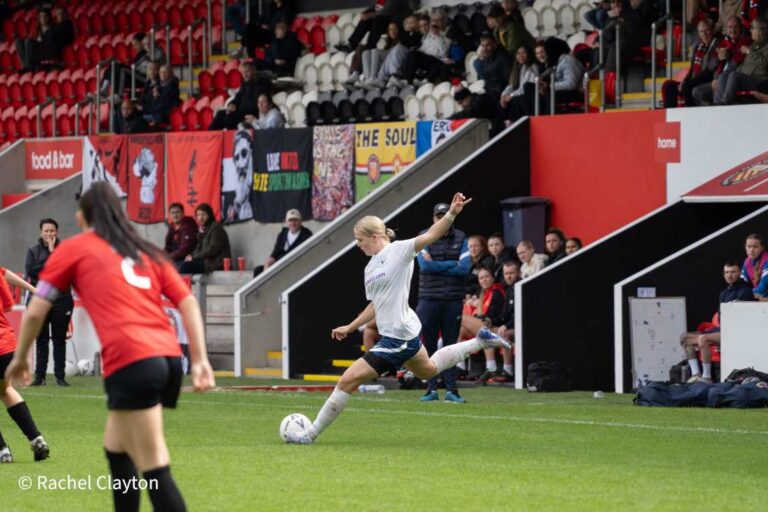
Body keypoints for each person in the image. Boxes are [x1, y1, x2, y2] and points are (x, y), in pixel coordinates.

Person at [4, 182, 215, 510]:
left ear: (81, 217)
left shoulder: (75, 248)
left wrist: (20, 359)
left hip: (133, 361)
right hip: (166, 357)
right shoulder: (144, 249)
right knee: (116, 449)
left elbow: (35, 309)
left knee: (154, 463)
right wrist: (199, 361)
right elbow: (187, 302)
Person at [283, 193, 511, 444]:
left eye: (360, 240)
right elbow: (375, 305)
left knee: (347, 379)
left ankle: (310, 434)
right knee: (429, 370)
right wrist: (351, 326)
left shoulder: (400, 250)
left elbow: (432, 235)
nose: (358, 245)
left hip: (397, 337)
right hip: (403, 334)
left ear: (375, 236)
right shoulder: (369, 268)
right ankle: (480, 341)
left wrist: (452, 213)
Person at [415, 202, 470, 403]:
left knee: (451, 346)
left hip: (453, 299)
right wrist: (451, 264)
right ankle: (431, 389)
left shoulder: (461, 236)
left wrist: (436, 264)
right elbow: (424, 266)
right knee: (428, 345)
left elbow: (464, 268)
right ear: (433, 219)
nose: (441, 219)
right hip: (428, 298)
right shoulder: (424, 235)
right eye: (438, 216)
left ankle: (451, 390)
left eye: (444, 215)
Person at [0, 265, 49, 463]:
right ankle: (37, 440)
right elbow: (9, 305)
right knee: (5, 391)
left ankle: (3, 451)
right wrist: (33, 289)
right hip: (6, 346)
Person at [680, 261, 755, 383]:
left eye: (733, 272)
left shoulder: (745, 290)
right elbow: (721, 318)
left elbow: (741, 319)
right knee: (684, 338)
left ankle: (707, 377)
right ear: (723, 274)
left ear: (740, 273)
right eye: (727, 272)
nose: (729, 275)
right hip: (722, 329)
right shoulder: (724, 293)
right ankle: (695, 374)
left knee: (703, 338)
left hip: (735, 332)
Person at [25, 218, 73, 387]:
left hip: (62, 300)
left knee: (59, 339)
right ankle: (40, 377)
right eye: (46, 231)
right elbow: (31, 272)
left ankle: (60, 377)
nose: (49, 234)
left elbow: (65, 271)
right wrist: (51, 257)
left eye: (52, 231)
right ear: (41, 232)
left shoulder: (65, 250)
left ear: (57, 232)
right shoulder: (33, 251)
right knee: (41, 339)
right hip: (40, 299)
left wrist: (53, 254)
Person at [460, 267, 506, 383]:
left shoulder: (497, 293)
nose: (484, 280)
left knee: (461, 318)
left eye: (486, 277)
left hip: (495, 327)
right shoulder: (481, 292)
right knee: (459, 330)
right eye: (481, 278)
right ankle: (460, 367)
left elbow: (499, 315)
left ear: (492, 278)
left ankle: (491, 368)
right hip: (484, 325)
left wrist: (490, 320)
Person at [662, 19, 721, 108]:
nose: (704, 34)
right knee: (668, 85)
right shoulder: (698, 47)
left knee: (687, 87)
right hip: (694, 80)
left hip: (708, 80)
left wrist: (689, 82)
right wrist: (685, 81)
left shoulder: (718, 45)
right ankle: (671, 116)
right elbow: (692, 69)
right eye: (701, 32)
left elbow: (710, 70)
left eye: (707, 31)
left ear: (712, 30)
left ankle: (692, 114)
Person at [714, 18, 768, 105]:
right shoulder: (754, 45)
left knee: (734, 76)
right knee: (725, 75)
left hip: (760, 81)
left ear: (760, 31)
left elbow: (764, 63)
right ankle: (717, 105)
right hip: (748, 77)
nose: (750, 30)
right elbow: (744, 65)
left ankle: (724, 104)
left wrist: (749, 52)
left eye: (752, 28)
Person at [209, 61, 272, 130]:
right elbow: (237, 97)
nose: (245, 75)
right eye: (243, 73)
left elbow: (257, 103)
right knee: (220, 114)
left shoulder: (262, 83)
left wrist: (237, 110)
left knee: (230, 117)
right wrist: (232, 104)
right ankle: (209, 136)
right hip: (240, 112)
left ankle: (232, 138)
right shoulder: (244, 83)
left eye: (247, 71)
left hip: (252, 112)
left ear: (254, 71)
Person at [254, 209, 313, 277]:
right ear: (286, 222)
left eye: (295, 220)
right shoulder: (283, 234)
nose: (293, 223)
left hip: (295, 267)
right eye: (290, 220)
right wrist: (266, 267)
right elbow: (274, 254)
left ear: (300, 221)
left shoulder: (306, 234)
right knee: (258, 270)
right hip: (280, 265)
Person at [178, 203, 232, 275]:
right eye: (198, 215)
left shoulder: (216, 227)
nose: (200, 218)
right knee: (179, 264)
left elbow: (213, 249)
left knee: (184, 267)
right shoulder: (203, 229)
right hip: (206, 261)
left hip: (215, 263)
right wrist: (191, 255)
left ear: (209, 215)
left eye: (203, 214)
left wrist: (194, 257)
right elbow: (198, 248)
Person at [491, 259, 522, 382]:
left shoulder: (522, 286)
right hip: (512, 325)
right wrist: (492, 321)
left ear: (518, 273)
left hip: (524, 326)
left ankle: (508, 370)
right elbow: (505, 314)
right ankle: (491, 369)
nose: (508, 276)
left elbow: (519, 314)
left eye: (511, 273)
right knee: (488, 331)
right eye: (506, 273)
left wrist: (506, 325)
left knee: (505, 334)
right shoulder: (509, 290)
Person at [473, 34, 512, 99]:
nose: (485, 49)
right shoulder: (486, 56)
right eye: (482, 46)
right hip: (489, 89)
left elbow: (485, 75)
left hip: (499, 91)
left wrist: (480, 59)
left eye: (488, 45)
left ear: (495, 44)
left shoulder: (502, 57)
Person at [164, 203, 198, 267]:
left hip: (187, 258)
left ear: (183, 213)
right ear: (169, 215)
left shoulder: (188, 226)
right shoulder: (172, 227)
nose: (175, 215)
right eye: (172, 213)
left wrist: (169, 258)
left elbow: (185, 249)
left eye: (177, 212)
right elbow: (167, 246)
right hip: (175, 258)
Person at [741, 233, 768, 299]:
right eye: (749, 246)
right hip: (758, 299)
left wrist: (745, 294)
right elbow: (741, 284)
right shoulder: (747, 261)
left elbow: (763, 287)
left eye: (755, 246)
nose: (751, 250)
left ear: (761, 248)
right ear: (745, 247)